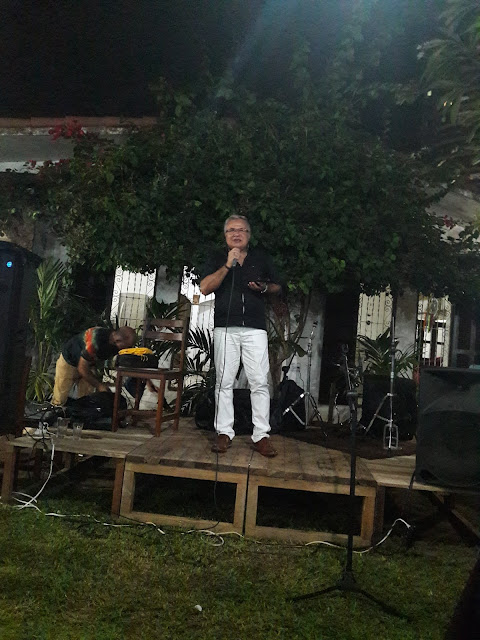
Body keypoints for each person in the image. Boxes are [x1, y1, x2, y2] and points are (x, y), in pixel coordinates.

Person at [200, 215, 282, 457]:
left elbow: (278, 286)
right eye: (231, 230)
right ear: (225, 235)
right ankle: (224, 432)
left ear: (249, 234)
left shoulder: (261, 258)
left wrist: (264, 288)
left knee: (259, 381)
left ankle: (261, 435)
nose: (236, 234)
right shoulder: (217, 258)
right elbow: (205, 287)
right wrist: (228, 265)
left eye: (241, 230)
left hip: (255, 328)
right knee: (224, 382)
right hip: (226, 327)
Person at [51, 326, 136, 406]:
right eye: (127, 346)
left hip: (89, 364)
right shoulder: (95, 341)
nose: (126, 349)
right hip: (69, 360)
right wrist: (99, 386)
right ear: (118, 340)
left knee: (86, 399)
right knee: (60, 398)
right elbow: (82, 368)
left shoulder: (114, 344)